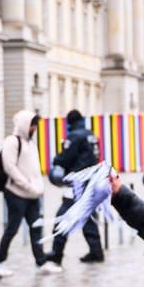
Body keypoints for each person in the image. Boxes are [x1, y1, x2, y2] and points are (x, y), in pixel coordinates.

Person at [0, 109, 49, 272]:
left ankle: (41, 261)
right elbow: (10, 167)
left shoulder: (31, 143)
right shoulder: (12, 141)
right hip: (16, 192)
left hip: (32, 194)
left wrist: (38, 187)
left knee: (36, 227)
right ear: (25, 124)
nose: (34, 128)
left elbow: (35, 169)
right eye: (32, 125)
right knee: (12, 228)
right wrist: (26, 184)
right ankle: (0, 262)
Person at [49, 109, 105, 265]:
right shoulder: (90, 133)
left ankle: (56, 253)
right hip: (91, 181)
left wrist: (57, 159)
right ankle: (96, 251)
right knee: (88, 218)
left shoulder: (75, 136)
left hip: (78, 183)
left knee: (63, 217)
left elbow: (65, 158)